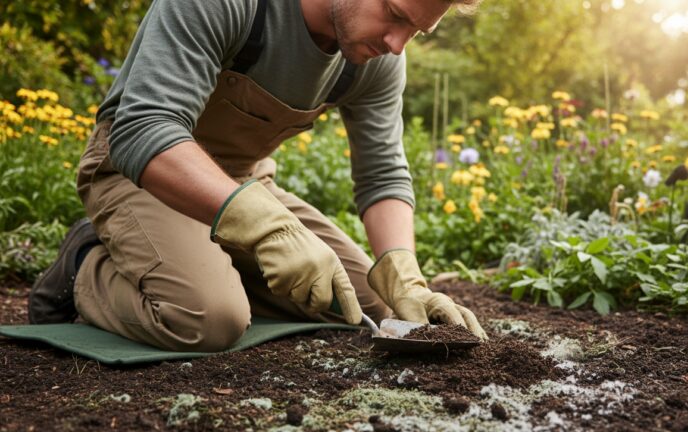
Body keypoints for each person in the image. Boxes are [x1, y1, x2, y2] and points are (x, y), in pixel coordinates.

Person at [28, 0, 487, 351]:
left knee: (366, 304)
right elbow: (143, 130)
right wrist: (269, 228)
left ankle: (205, 265)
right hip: (139, 173)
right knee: (207, 320)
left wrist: (404, 273)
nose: (396, 43)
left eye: (416, 30)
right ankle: (84, 265)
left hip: (246, 185)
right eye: (393, 14)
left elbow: (383, 172)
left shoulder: (379, 58)